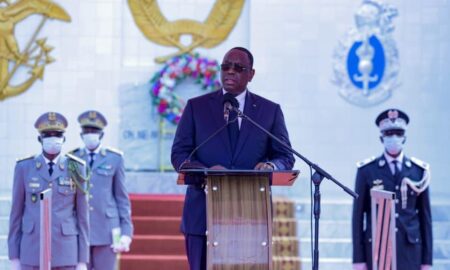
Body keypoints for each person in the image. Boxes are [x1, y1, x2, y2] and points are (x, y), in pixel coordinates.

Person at [171, 47, 295, 270]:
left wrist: (271, 165)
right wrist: (206, 171)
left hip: (250, 216)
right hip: (202, 215)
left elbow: (285, 156)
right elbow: (179, 154)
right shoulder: (196, 107)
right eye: (226, 66)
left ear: (251, 74)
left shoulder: (269, 111)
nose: (230, 72)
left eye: (238, 68)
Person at [352, 109, 433, 270]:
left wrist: (427, 261)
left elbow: (425, 218)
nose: (394, 138)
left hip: (410, 250)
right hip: (378, 249)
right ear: (381, 137)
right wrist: (358, 259)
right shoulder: (367, 170)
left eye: (398, 133)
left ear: (405, 137)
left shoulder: (419, 171)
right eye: (389, 133)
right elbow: (358, 216)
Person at [8, 112, 89, 270]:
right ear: (40, 139)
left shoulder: (76, 167)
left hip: (65, 252)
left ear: (63, 139)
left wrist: (82, 260)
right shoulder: (24, 167)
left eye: (57, 135)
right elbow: (16, 214)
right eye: (48, 135)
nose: (53, 139)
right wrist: (14, 256)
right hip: (31, 251)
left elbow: (83, 216)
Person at [70, 110, 133, 270]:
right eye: (87, 131)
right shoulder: (72, 159)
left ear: (101, 135)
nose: (90, 134)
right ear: (81, 134)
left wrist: (126, 232)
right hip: (78, 229)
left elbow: (121, 198)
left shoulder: (114, 158)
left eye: (94, 131)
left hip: (107, 230)